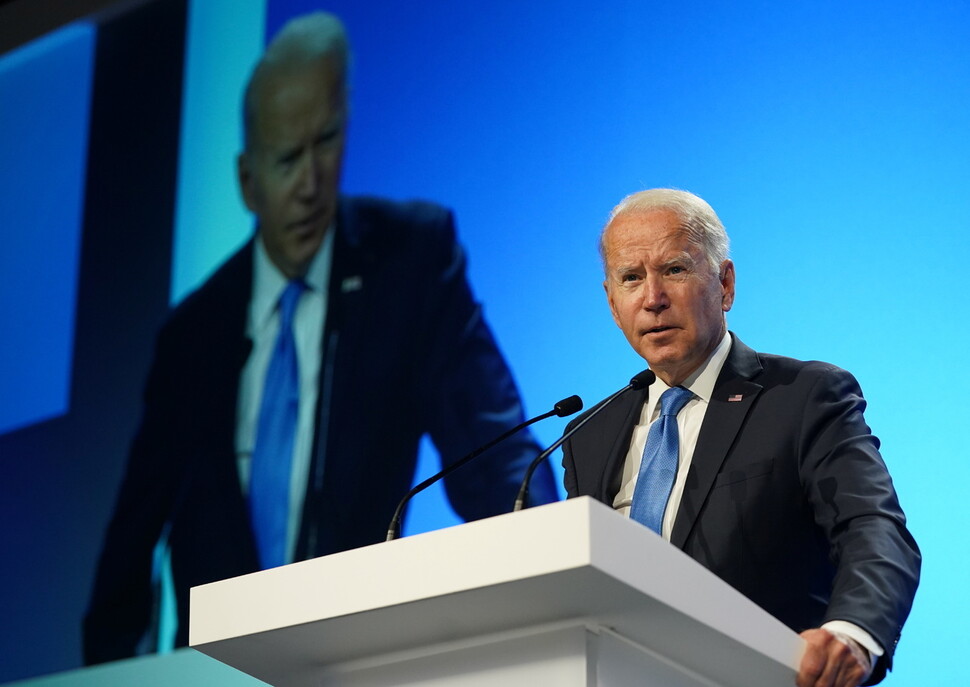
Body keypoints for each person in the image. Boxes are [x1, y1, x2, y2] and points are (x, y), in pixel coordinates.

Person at [83, 11, 556, 663]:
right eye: (285, 160)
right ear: (246, 180)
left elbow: (500, 464)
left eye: (326, 142)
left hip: (360, 660)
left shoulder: (411, 262)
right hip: (216, 672)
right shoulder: (193, 334)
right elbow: (130, 551)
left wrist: (553, 588)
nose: (309, 185)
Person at [562, 189, 919, 687]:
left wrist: (853, 632)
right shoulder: (586, 434)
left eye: (675, 270)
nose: (653, 298)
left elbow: (872, 528)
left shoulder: (803, 396)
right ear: (612, 302)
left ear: (725, 285)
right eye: (631, 278)